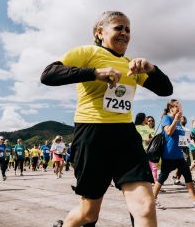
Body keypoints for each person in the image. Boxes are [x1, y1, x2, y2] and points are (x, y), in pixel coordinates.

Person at [41, 11, 172, 227]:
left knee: (145, 207)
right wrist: (94, 73)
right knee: (89, 213)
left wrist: (151, 69)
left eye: (128, 29)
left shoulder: (132, 65)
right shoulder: (87, 52)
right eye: (118, 28)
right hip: (92, 135)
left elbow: (166, 90)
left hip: (125, 137)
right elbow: (48, 74)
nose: (124, 33)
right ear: (100, 32)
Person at [152, 99, 195, 211]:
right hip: (168, 154)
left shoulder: (178, 122)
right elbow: (168, 132)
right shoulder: (167, 118)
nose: (180, 109)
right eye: (178, 107)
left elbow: (181, 138)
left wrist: (187, 136)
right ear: (171, 108)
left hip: (179, 155)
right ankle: (152, 199)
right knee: (163, 177)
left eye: (180, 107)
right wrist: (175, 120)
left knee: (188, 175)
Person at [135, 112, 157, 182]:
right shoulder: (137, 127)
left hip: (150, 150)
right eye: (146, 118)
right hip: (141, 150)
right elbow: (145, 139)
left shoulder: (150, 129)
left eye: (152, 120)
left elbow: (152, 138)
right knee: (142, 167)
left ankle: (154, 182)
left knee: (153, 167)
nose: (150, 121)